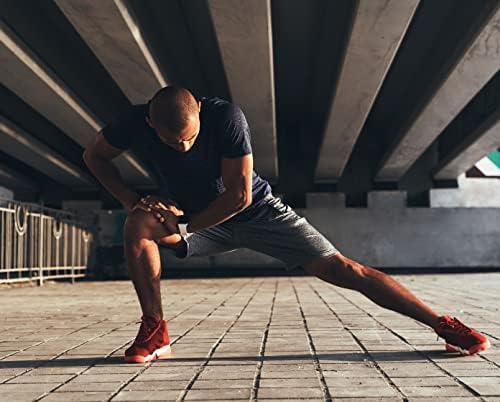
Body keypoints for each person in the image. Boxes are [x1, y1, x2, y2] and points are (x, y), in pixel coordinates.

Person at [83, 86, 489, 363]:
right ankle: (156, 330)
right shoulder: (133, 122)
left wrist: (186, 227)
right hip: (192, 214)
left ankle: (443, 325)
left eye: (190, 138)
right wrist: (133, 200)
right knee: (137, 224)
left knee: (345, 269)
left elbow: (238, 196)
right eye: (173, 144)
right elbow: (95, 157)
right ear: (151, 126)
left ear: (200, 115)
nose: (183, 147)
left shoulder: (226, 117)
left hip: (255, 211)